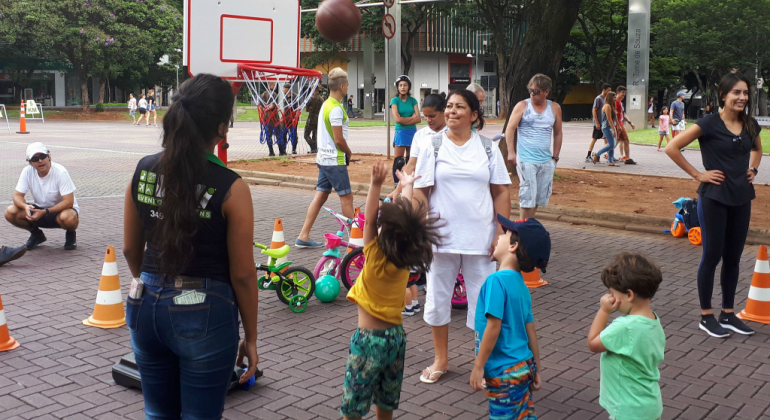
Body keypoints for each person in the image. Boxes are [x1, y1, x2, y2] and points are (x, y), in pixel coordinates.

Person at [122, 74, 261, 418]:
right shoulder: (231, 188)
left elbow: (129, 249)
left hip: (144, 306)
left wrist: (154, 285)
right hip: (203, 311)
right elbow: (243, 274)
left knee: (157, 412)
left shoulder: (143, 171)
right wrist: (252, 337)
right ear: (221, 128)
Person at [412, 89, 512, 384]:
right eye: (449, 107)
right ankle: (441, 359)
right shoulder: (433, 145)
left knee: (485, 303)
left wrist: (500, 231)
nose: (451, 111)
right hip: (440, 240)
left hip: (481, 240)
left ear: (474, 115)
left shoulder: (488, 148)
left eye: (459, 107)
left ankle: (482, 363)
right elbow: (421, 192)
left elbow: (501, 191)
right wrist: (421, 232)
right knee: (437, 300)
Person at [341, 161, 441, 420]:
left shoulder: (374, 254)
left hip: (368, 342)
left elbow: (370, 218)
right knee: (385, 402)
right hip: (396, 340)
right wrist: (406, 186)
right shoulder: (405, 259)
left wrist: (375, 184)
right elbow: (403, 221)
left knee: (353, 407)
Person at [665, 73, 763, 338]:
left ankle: (728, 314)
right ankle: (706, 316)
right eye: (736, 93)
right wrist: (698, 175)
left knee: (733, 257)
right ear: (723, 95)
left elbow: (757, 149)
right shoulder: (708, 123)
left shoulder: (750, 124)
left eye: (745, 93)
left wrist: (753, 168)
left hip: (742, 197)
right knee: (712, 256)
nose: (742, 97)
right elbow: (672, 147)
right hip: (714, 198)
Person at [470, 216, 550, 419]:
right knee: (523, 415)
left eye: (505, 234)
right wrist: (537, 369)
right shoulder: (521, 285)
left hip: (504, 371)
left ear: (513, 246)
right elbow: (530, 330)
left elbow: (493, 326)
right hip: (524, 366)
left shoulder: (496, 281)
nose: (499, 236)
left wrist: (478, 366)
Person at [387, 93, 448, 316]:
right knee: (417, 237)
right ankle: (420, 282)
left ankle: (438, 288)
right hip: (420, 193)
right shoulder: (421, 136)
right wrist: (397, 189)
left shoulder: (452, 134)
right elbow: (411, 164)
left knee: (437, 242)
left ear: (443, 112)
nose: (429, 120)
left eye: (433, 116)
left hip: (443, 194)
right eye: (426, 116)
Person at [587, 253, 665, 420]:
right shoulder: (654, 322)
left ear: (629, 295)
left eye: (612, 293)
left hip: (628, 410)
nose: (610, 297)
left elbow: (593, 343)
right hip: (650, 406)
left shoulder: (625, 327)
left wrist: (604, 311)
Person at [296, 68, 354, 248]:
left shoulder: (326, 104)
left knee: (320, 196)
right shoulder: (336, 109)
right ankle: (355, 240)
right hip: (334, 161)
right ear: (342, 86)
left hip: (323, 159)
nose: (347, 89)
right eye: (347, 86)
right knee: (347, 198)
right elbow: (338, 139)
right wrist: (349, 152)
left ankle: (303, 236)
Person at [505, 74, 563, 219]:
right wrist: (511, 152)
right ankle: (521, 230)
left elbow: (558, 133)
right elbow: (510, 129)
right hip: (526, 159)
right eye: (530, 90)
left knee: (537, 198)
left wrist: (555, 157)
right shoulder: (523, 106)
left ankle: (528, 226)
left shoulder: (554, 108)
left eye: (536, 91)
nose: (532, 94)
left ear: (546, 92)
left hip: (545, 160)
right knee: (527, 197)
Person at [5, 142, 80, 250]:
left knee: (68, 218)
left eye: (42, 156)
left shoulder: (60, 172)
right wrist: (25, 206)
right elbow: (17, 195)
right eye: (35, 159)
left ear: (49, 156)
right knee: (10, 212)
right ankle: (36, 235)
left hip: (61, 211)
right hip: (39, 210)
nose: (40, 161)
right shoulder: (27, 172)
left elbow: (68, 202)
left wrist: (46, 212)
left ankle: (71, 233)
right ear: (30, 162)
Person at [390, 75, 420, 183]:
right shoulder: (395, 100)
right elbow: (397, 120)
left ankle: (409, 182)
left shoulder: (413, 100)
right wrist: (411, 118)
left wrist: (404, 119)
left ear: (409, 87)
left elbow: (419, 119)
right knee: (399, 161)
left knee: (411, 159)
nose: (403, 87)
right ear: (397, 87)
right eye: (401, 85)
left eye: (405, 85)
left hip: (412, 131)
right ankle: (396, 183)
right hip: (401, 132)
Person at [593, 91, 620, 167]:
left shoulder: (612, 106)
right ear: (610, 97)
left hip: (611, 127)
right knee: (611, 145)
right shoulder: (607, 106)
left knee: (612, 145)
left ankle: (611, 161)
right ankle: (597, 154)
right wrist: (614, 129)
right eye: (614, 97)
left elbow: (615, 117)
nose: (615, 98)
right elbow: (609, 119)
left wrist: (618, 126)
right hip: (607, 127)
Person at [586, 83, 612, 162]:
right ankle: (588, 155)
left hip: (605, 123)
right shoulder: (598, 98)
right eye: (608, 90)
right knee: (594, 138)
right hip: (599, 123)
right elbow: (594, 110)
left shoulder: (607, 99)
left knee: (606, 139)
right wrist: (597, 122)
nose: (609, 92)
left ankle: (607, 155)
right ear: (604, 90)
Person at [615, 86, 637, 164]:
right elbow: (614, 115)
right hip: (617, 125)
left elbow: (623, 114)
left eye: (625, 93)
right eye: (622, 92)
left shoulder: (621, 103)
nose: (624, 94)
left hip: (621, 125)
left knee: (626, 140)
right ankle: (598, 154)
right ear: (618, 92)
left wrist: (630, 122)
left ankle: (627, 158)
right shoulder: (616, 102)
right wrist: (617, 125)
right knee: (613, 143)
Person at [304, 86, 324, 154]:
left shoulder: (311, 98)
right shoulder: (322, 99)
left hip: (311, 119)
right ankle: (315, 149)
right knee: (315, 134)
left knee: (306, 135)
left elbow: (306, 109)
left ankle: (313, 147)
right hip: (318, 119)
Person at [280, 83, 298, 155]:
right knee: (284, 134)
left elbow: (298, 109)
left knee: (293, 134)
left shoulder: (295, 97)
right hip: (285, 119)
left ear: (288, 89)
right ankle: (284, 150)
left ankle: (294, 149)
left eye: (284, 88)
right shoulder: (285, 97)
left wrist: (295, 118)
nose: (283, 90)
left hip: (292, 119)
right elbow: (284, 108)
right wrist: (282, 117)